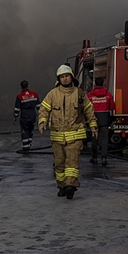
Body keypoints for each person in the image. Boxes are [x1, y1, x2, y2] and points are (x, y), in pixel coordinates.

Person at [38, 65, 97, 199]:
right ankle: (61, 185)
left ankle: (70, 185)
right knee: (59, 163)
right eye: (62, 77)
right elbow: (44, 110)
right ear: (59, 79)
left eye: (67, 76)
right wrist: (42, 123)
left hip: (75, 135)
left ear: (71, 77)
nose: (65, 79)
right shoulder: (52, 94)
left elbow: (89, 110)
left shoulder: (80, 94)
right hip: (57, 136)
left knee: (72, 162)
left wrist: (94, 127)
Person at [87, 77, 115, 166]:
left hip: (93, 118)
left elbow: (86, 107)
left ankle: (94, 157)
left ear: (95, 83)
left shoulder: (90, 95)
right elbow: (112, 107)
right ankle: (104, 158)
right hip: (105, 119)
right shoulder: (108, 94)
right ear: (103, 83)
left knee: (94, 138)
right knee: (104, 139)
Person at [13, 80, 39, 154]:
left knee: (24, 131)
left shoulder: (19, 96)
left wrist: (15, 117)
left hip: (25, 115)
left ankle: (25, 147)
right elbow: (38, 106)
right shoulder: (35, 94)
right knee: (31, 130)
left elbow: (17, 108)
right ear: (28, 86)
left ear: (21, 87)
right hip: (33, 114)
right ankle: (29, 144)